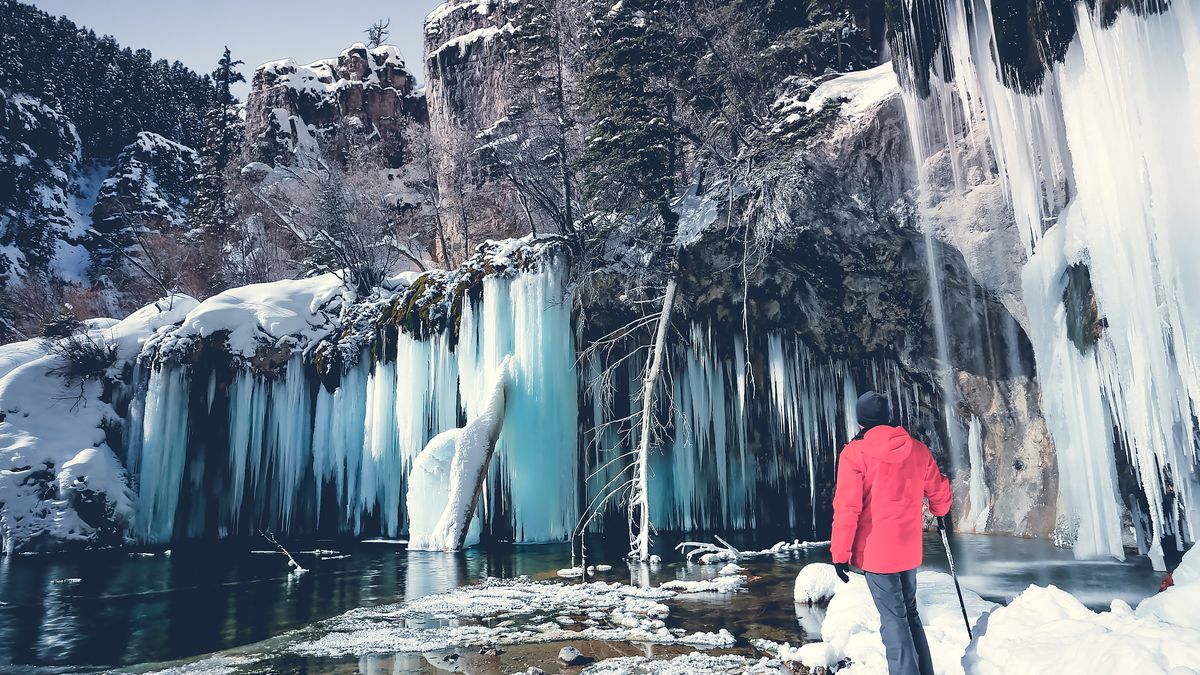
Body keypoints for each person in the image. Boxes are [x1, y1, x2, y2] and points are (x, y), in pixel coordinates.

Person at [830, 390, 952, 675]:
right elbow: (939, 488)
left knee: (894, 620)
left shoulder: (855, 453)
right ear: (888, 417)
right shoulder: (917, 449)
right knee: (910, 614)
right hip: (909, 550)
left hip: (877, 553)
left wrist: (840, 553)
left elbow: (848, 507)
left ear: (861, 421)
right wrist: (941, 512)